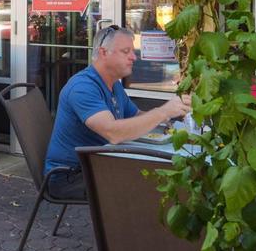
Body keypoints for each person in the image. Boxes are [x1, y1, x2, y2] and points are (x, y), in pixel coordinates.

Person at [42, 22, 192, 200]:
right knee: (152, 185)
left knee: (163, 177)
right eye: (126, 51)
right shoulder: (82, 87)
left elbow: (136, 116)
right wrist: (163, 112)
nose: (134, 57)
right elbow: (113, 133)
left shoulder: (113, 84)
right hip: (69, 176)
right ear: (103, 53)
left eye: (133, 51)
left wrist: (168, 118)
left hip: (99, 164)